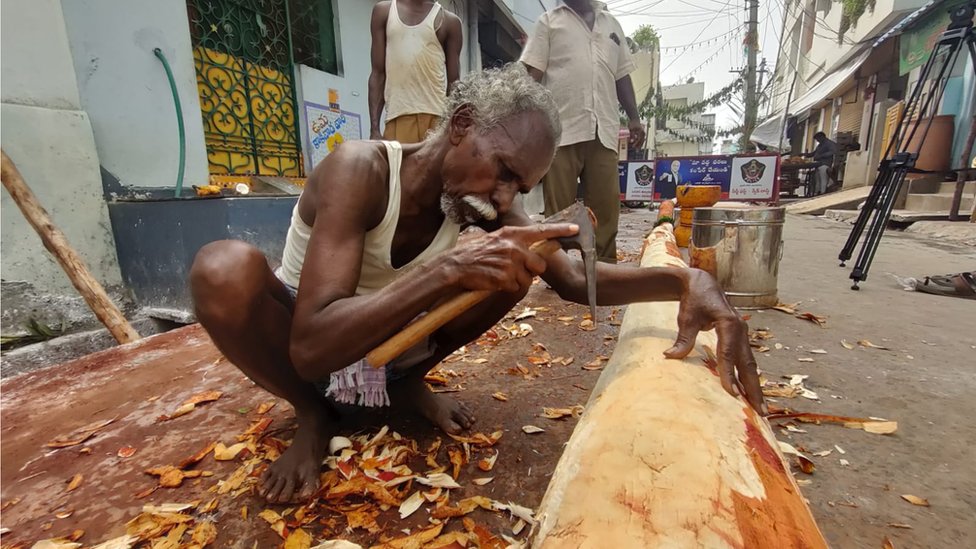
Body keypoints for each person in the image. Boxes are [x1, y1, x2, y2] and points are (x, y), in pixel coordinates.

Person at [189, 65, 763, 505]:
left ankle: (403, 385)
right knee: (222, 269)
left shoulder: (486, 210)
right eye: (504, 170)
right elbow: (310, 347)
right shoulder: (360, 171)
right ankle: (313, 416)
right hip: (307, 349)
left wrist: (685, 278)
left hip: (383, 355)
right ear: (461, 125)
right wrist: (445, 269)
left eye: (521, 186)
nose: (505, 197)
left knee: (517, 264)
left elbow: (569, 277)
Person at [520, 0, 645, 263]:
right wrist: (524, 120)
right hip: (562, 129)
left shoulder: (611, 25)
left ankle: (603, 267)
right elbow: (532, 72)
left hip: (604, 128)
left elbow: (621, 76)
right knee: (560, 211)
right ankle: (560, 269)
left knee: (606, 207)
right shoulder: (549, 22)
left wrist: (634, 117)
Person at [368, 0, 462, 143]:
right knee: (398, 165)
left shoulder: (449, 22)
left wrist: (451, 128)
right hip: (398, 117)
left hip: (436, 121)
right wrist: (374, 129)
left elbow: (454, 84)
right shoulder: (384, 12)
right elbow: (378, 74)